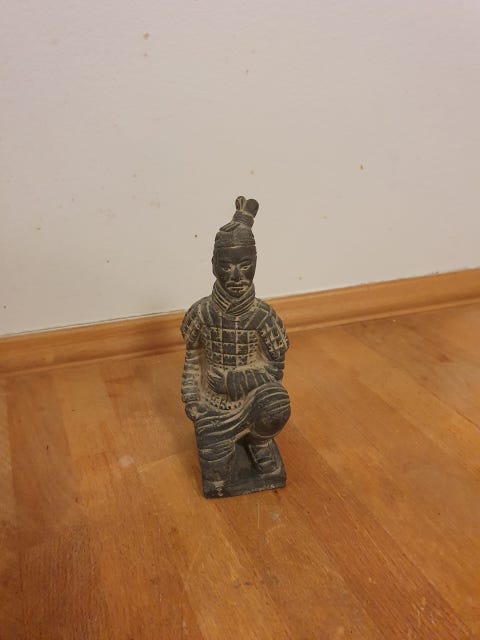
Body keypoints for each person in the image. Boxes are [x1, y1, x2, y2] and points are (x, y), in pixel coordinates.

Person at [181, 196, 291, 498]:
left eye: (245, 265)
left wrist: (235, 380)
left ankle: (259, 442)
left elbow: (274, 370)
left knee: (277, 402)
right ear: (213, 266)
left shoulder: (263, 317)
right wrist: (191, 398)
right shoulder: (201, 313)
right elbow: (193, 358)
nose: (236, 276)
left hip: (254, 401)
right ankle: (224, 446)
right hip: (214, 406)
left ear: (255, 263)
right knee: (218, 478)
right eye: (226, 266)